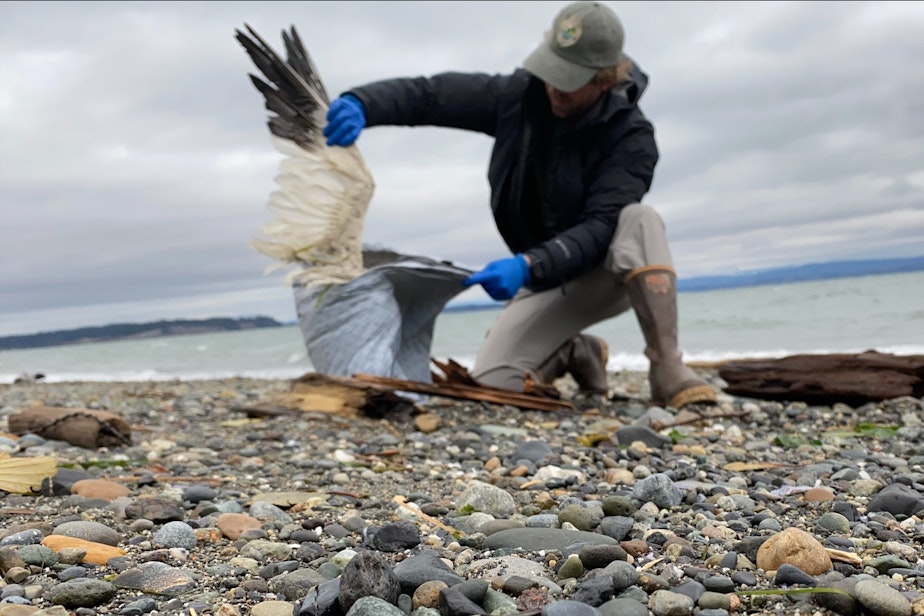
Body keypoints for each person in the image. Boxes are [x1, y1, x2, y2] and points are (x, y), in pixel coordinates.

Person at [323, 1, 716, 408]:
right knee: (494, 386)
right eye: (552, 71)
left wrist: (528, 265)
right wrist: (364, 103)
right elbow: (433, 96)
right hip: (546, 276)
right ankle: (576, 351)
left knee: (641, 220)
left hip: (607, 272)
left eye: (569, 80)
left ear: (604, 80)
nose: (553, 88)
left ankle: (667, 365)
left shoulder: (632, 138)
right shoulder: (520, 96)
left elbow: (601, 227)